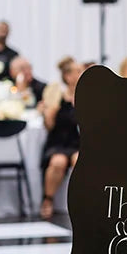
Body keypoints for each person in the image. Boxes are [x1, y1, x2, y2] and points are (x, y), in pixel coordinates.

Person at [40, 58, 81, 220]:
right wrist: (49, 111)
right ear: (68, 76)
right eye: (77, 72)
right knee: (58, 162)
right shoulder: (57, 96)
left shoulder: (85, 96)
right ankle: (47, 199)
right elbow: (49, 125)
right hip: (58, 141)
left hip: (78, 142)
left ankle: (81, 203)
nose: (81, 74)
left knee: (79, 161)